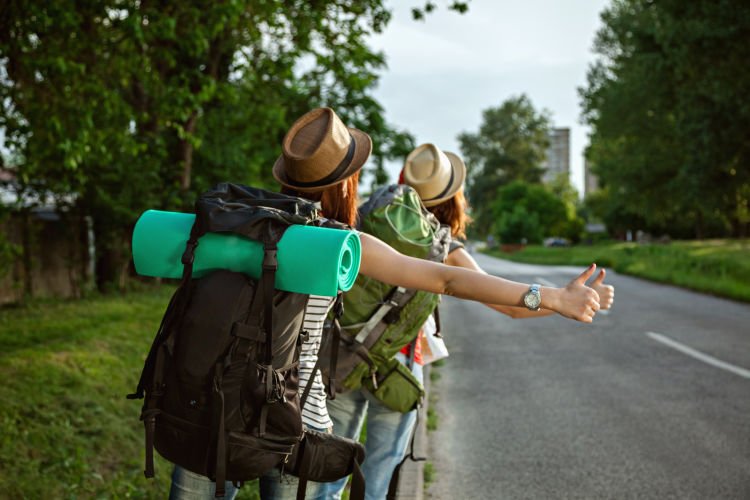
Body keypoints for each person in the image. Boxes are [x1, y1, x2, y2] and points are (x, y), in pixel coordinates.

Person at [168, 108, 602, 499]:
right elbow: (447, 280)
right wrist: (554, 297)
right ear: (346, 181)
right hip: (295, 419)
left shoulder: (233, 224)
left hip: (209, 405)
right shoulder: (340, 242)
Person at [323, 143, 615, 500]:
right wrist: (563, 301)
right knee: (379, 473)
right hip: (399, 366)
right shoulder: (445, 246)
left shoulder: (361, 219)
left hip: (343, 355)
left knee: (329, 473)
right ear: (451, 197)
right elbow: (508, 305)